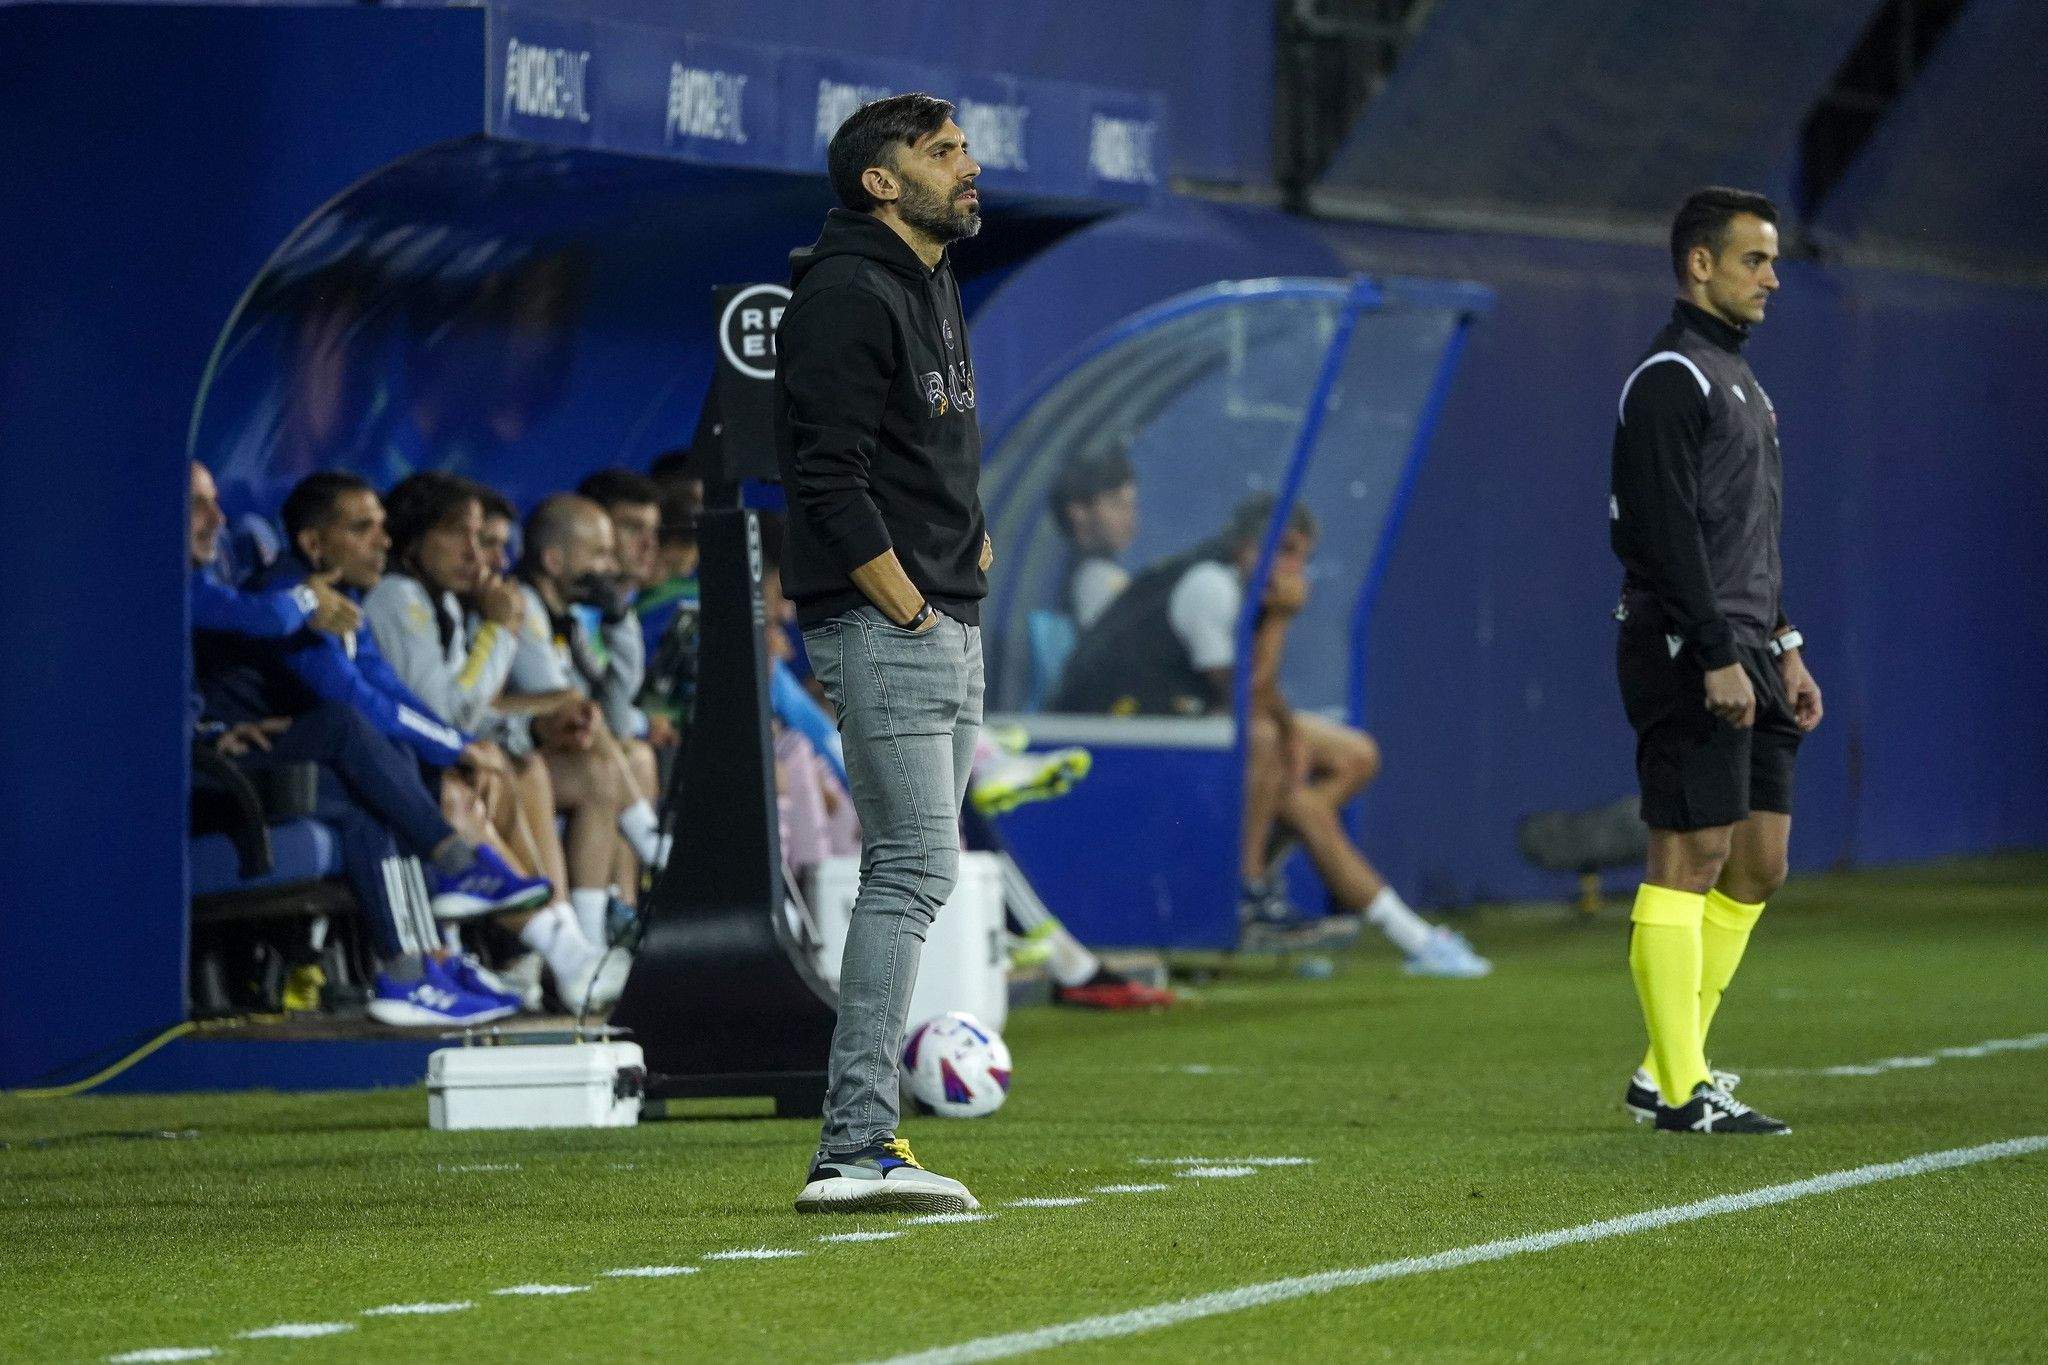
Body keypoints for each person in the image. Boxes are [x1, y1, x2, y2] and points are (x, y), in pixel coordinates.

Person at [778, 93, 991, 1215]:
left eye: (963, 147)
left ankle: (862, 1140)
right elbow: (826, 475)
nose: (967, 164)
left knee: (920, 870)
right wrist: (906, 606)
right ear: (880, 181)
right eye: (941, 151)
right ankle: (855, 1144)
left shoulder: (929, 275)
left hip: (946, 612)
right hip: (893, 622)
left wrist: (968, 548)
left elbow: (929, 444)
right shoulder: (848, 292)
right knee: (908, 869)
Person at [1053, 494, 1490, 977]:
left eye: (1302, 556)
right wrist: (1280, 620)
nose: (1294, 569)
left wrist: (1291, 732)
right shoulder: (1209, 585)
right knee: (1262, 741)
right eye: (1284, 551)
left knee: (1355, 755)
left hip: (1188, 722)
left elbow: (1254, 692)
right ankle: (1250, 889)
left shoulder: (1243, 585)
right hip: (1122, 731)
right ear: (1247, 548)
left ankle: (1268, 857)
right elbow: (1243, 696)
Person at [1610, 187, 1820, 1136]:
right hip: (1689, 646)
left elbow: (1745, 536)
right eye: (1754, 260)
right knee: (1689, 854)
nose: (1772, 278)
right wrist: (1713, 650)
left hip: (1752, 648)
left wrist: (1784, 643)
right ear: (1700, 264)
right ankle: (1680, 1091)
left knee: (1759, 863)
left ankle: (1665, 1066)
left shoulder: (1741, 380)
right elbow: (1663, 532)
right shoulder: (1671, 377)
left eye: (1772, 260)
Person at [188, 463, 541, 1024]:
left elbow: (387, 689)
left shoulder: (343, 602)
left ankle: (419, 968)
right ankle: (452, 871)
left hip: (258, 758)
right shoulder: (284, 590)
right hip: (222, 778)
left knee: (375, 786)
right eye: (362, 528)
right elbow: (351, 698)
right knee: (349, 729)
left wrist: (456, 743)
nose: (384, 541)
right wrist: (454, 748)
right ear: (313, 544)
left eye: (381, 526)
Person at [363, 471, 627, 1013]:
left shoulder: (447, 605)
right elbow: (445, 710)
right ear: (414, 540)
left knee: (522, 765)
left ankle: (570, 945)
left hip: (436, 757)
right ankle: (563, 952)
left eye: (478, 535)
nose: (474, 552)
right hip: (396, 771)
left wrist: (522, 730)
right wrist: (501, 629)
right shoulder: (397, 596)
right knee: (482, 782)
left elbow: (472, 711)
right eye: (458, 534)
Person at [507, 495, 668, 926]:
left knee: (636, 755)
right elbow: (560, 706)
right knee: (601, 765)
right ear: (554, 561)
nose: (610, 567)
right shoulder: (521, 606)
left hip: (564, 753)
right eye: (599, 554)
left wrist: (619, 620)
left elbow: (615, 707)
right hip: (517, 754)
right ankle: (650, 844)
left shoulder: (569, 621)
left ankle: (618, 911)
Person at [1051, 451, 1138, 630]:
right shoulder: (1096, 580)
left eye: (1132, 505)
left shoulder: (1083, 573)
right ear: (1079, 513)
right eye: (1116, 504)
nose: (1130, 519)